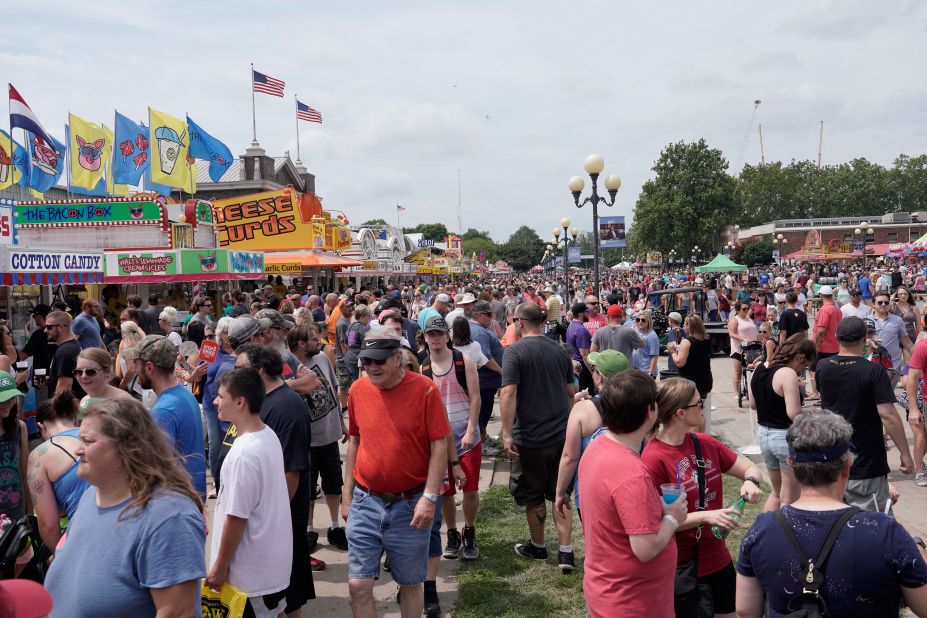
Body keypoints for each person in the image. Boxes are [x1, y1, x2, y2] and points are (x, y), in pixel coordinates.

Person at [736, 409, 927, 617]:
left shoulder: (762, 530)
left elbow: (746, 611)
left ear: (791, 465)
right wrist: (917, 549)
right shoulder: (884, 531)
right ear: (847, 465)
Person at [44, 399, 206, 615]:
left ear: (127, 447)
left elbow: (178, 612)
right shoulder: (92, 495)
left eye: (88, 441)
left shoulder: (168, 516)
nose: (77, 451)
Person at [340, 327, 450, 618]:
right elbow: (355, 440)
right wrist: (346, 493)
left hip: (410, 505)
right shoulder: (357, 390)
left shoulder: (425, 389)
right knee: (357, 585)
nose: (372, 367)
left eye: (379, 361)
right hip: (365, 501)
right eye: (367, 361)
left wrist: (429, 497)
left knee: (411, 584)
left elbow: (439, 444)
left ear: (398, 359)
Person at [644, 377, 764, 618]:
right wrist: (708, 516)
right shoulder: (653, 459)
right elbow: (656, 523)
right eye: (699, 402)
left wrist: (751, 481)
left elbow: (750, 468)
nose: (703, 405)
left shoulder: (706, 443)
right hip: (680, 565)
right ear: (680, 413)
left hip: (717, 557)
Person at [578, 370, 687, 617]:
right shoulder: (632, 473)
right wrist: (672, 517)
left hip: (607, 589)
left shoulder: (597, 447)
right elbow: (645, 549)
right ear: (651, 411)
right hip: (633, 602)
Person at [231, 344, 315, 615]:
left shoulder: (286, 407)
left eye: (240, 369)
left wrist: (268, 521)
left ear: (261, 370)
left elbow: (290, 475)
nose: (234, 376)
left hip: (278, 525)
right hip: (263, 522)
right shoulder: (262, 401)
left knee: (285, 600)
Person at [207, 368, 293, 618]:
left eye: (221, 396)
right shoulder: (268, 435)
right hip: (268, 568)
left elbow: (236, 517)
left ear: (240, 402)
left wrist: (220, 567)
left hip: (249, 577)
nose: (215, 402)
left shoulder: (243, 454)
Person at [500, 302, 576, 572]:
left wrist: (506, 433)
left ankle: (539, 546)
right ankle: (566, 552)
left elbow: (508, 393)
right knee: (561, 491)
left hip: (530, 437)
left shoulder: (515, 352)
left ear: (520, 322)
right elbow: (570, 391)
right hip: (560, 435)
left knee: (532, 494)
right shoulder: (559, 350)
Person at [815, 317, 914, 512]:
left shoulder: (823, 367)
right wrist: (905, 453)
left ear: (836, 337)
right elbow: (888, 415)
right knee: (872, 527)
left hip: (833, 458)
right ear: (865, 338)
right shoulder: (873, 370)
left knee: (838, 523)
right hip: (866, 462)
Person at [286, 324, 349, 553]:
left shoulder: (322, 357)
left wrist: (341, 423)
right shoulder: (289, 368)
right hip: (306, 441)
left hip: (330, 435)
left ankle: (334, 527)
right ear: (301, 344)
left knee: (334, 484)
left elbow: (332, 387)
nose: (318, 342)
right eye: (313, 339)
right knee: (309, 489)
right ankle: (310, 529)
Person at [554, 349, 629, 523]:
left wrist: (560, 491)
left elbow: (569, 457)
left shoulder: (584, 410)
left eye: (594, 369)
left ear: (599, 377)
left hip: (592, 492)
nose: (592, 372)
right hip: (629, 487)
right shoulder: (641, 406)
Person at [132, 335, 207, 499]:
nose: (135, 370)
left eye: (136, 365)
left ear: (150, 368)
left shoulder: (163, 410)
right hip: (191, 496)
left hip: (177, 500)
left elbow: (156, 468)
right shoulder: (185, 396)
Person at [750, 334, 816, 511]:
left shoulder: (759, 368)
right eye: (804, 365)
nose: (802, 370)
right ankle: (786, 537)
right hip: (784, 438)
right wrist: (813, 418)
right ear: (800, 357)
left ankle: (763, 533)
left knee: (776, 493)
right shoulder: (787, 373)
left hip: (763, 434)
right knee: (790, 498)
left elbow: (752, 404)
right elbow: (794, 413)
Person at [26, 392, 90, 552]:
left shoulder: (40, 456)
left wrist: (60, 558)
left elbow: (49, 525)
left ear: (41, 426)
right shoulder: (98, 437)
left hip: (87, 540)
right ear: (75, 419)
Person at [668, 314, 714, 432]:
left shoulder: (687, 342)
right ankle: (702, 437)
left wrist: (673, 351)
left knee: (689, 414)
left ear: (690, 326)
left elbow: (679, 362)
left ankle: (692, 440)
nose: (684, 327)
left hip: (690, 382)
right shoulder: (706, 339)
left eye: (685, 324)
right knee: (699, 412)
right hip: (705, 379)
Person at [0, 372, 30, 525]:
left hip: (17, 513)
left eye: (11, 397)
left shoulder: (20, 428)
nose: (8, 402)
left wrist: (31, 514)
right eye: (2, 399)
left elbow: (24, 474)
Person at [74, 348, 134, 417]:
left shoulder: (123, 402)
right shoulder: (84, 401)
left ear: (107, 371)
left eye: (91, 371)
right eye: (79, 372)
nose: (83, 376)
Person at [872, 291, 914, 387]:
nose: (883, 304)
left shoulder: (897, 320)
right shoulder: (866, 321)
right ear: (873, 304)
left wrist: (920, 357)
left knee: (888, 396)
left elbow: (906, 342)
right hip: (872, 366)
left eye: (886, 302)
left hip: (893, 366)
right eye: (880, 302)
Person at [45, 311, 86, 400]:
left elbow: (64, 386)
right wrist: (51, 379)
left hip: (67, 409)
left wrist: (54, 411)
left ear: (61, 327)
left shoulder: (65, 351)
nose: (45, 330)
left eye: (49, 327)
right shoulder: (71, 346)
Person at [903, 335, 927, 487]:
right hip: (922, 400)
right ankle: (919, 470)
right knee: (920, 438)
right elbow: (911, 378)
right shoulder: (923, 347)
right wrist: (913, 408)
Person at [728, 301, 758, 397]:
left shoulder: (749, 319)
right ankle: (736, 393)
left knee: (752, 369)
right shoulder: (735, 320)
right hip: (739, 349)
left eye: (747, 308)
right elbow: (731, 334)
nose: (746, 310)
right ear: (738, 310)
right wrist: (743, 339)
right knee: (738, 371)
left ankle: (751, 391)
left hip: (752, 348)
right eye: (744, 309)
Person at [566, 303, 595, 393]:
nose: (588, 314)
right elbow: (584, 355)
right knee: (587, 395)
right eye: (586, 312)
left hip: (575, 365)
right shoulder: (580, 330)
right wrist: (593, 373)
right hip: (583, 369)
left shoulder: (571, 325)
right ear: (580, 314)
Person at [631, 311, 659, 379]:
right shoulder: (636, 332)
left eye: (643, 320)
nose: (640, 322)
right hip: (636, 369)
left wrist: (650, 372)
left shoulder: (652, 336)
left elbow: (654, 356)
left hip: (646, 372)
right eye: (638, 320)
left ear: (648, 321)